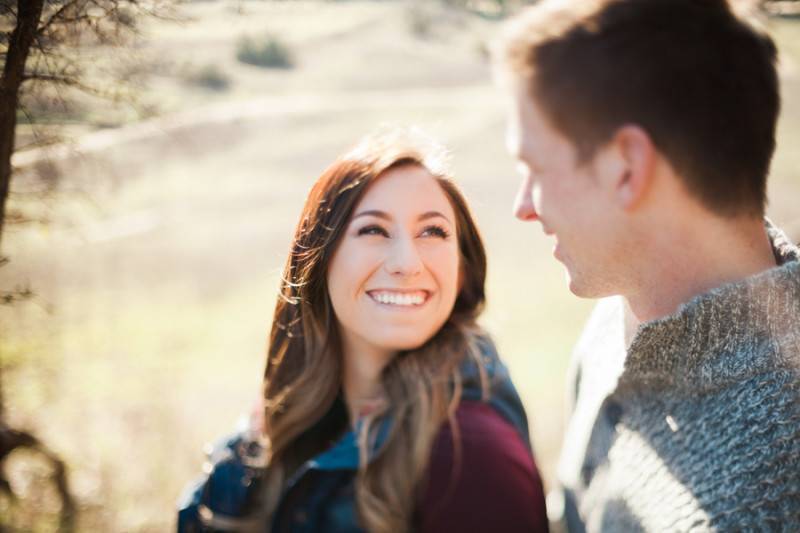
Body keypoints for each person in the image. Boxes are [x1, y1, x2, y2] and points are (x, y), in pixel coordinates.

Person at [492, 0, 800, 531]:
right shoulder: (617, 317)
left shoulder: (767, 497)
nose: (523, 206)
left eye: (535, 168)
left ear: (627, 167)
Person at [176, 128, 548, 532]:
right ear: (319, 263)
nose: (407, 263)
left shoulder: (471, 454)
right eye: (373, 230)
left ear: (461, 273)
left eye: (433, 231)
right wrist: (250, 449)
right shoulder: (300, 423)